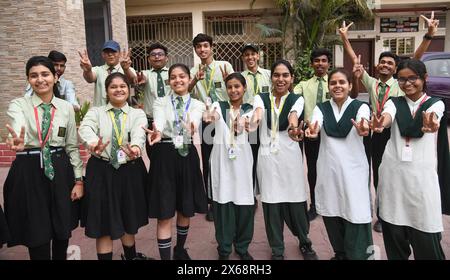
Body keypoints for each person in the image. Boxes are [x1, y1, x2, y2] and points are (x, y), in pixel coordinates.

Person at [339, 13, 439, 232]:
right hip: (377, 131)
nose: (385, 65)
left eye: (390, 63)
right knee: (378, 173)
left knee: (399, 171)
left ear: (396, 69)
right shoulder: (372, 82)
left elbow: (416, 58)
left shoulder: (401, 84)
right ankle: (382, 214)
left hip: (397, 131)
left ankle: (405, 211)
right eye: (382, 62)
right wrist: (345, 38)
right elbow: (354, 62)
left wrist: (429, 36)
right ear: (377, 66)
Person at [3, 56, 83, 260]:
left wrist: (78, 180)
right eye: (33, 75)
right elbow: (18, 125)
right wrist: (17, 140)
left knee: (61, 227)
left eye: (45, 74)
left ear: (56, 77)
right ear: (28, 80)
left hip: (60, 168)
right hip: (28, 169)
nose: (40, 79)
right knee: (36, 230)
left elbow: (72, 146)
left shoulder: (65, 107)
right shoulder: (18, 104)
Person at [370, 59, 450, 260]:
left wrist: (433, 124)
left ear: (424, 78)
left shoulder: (435, 104)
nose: (407, 84)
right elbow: (388, 115)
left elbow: (435, 115)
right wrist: (381, 124)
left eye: (412, 78)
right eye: (402, 79)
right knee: (394, 239)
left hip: (421, 183)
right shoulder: (394, 102)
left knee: (427, 242)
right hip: (394, 181)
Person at [250, 59, 317, 260]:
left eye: (285, 75)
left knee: (296, 201)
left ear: (292, 78)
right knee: (271, 205)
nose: (281, 79)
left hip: (290, 158)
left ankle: (305, 242)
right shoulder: (260, 97)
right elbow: (258, 114)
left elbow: (293, 116)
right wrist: (250, 124)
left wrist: (294, 129)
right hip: (268, 159)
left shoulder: (296, 99)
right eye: (277, 75)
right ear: (271, 77)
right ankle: (277, 249)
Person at [78, 72, 150, 260]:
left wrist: (135, 147)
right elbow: (85, 128)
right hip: (101, 171)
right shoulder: (96, 112)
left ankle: (130, 257)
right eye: (113, 86)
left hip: (130, 170)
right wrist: (94, 143)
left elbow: (139, 133)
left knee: (128, 216)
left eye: (123, 86)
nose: (119, 89)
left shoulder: (137, 113)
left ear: (128, 89)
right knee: (103, 222)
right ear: (106, 91)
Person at [305, 69, 372, 260]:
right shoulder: (322, 107)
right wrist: (313, 132)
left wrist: (363, 128)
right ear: (329, 87)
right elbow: (315, 124)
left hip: (354, 171)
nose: (337, 86)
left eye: (342, 82)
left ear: (350, 86)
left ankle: (359, 255)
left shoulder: (361, 107)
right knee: (332, 211)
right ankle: (340, 253)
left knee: (355, 212)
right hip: (329, 170)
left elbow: (363, 124)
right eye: (333, 83)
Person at [146, 63, 207, 260]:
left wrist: (190, 128)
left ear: (189, 79)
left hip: (186, 154)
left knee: (185, 207)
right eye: (173, 77)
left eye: (182, 76)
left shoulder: (197, 104)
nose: (178, 80)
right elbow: (160, 121)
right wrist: (157, 131)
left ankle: (180, 250)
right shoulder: (160, 102)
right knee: (164, 212)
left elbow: (194, 122)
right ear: (169, 81)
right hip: (164, 154)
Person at [204, 72, 255, 260]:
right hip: (221, 163)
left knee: (244, 205)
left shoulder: (250, 108)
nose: (233, 90)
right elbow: (212, 115)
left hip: (242, 163)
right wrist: (208, 114)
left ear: (244, 88)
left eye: (237, 86)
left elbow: (251, 123)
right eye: (230, 87)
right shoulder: (219, 105)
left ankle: (242, 247)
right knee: (223, 204)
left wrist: (242, 123)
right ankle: (224, 248)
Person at [189, 33, 234, 222]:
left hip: (224, 118)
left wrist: (227, 81)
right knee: (208, 159)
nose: (202, 49)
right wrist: (195, 80)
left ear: (212, 47)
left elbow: (234, 89)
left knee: (228, 156)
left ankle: (230, 196)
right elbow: (187, 91)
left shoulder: (224, 66)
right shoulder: (193, 70)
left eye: (205, 45)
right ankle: (212, 202)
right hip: (206, 120)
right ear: (196, 50)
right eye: (199, 46)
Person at [293, 48, 333, 221]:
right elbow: (290, 96)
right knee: (313, 169)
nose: (320, 64)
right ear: (312, 64)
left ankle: (331, 203)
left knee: (333, 168)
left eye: (324, 60)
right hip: (311, 134)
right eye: (317, 61)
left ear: (329, 64)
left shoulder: (334, 83)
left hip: (332, 133)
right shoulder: (304, 85)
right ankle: (314, 205)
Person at [130, 43, 171, 158]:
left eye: (160, 54)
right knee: (154, 155)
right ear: (148, 59)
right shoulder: (145, 74)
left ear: (166, 58)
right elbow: (134, 77)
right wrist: (127, 68)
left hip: (170, 119)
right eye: (153, 55)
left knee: (171, 153)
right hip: (152, 121)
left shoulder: (173, 74)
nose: (157, 57)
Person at [79, 40, 136, 107]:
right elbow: (90, 79)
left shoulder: (128, 69)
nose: (110, 54)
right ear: (103, 55)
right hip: (101, 113)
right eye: (107, 52)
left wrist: (126, 69)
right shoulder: (98, 70)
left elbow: (133, 81)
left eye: (113, 51)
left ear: (119, 54)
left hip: (122, 113)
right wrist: (87, 70)